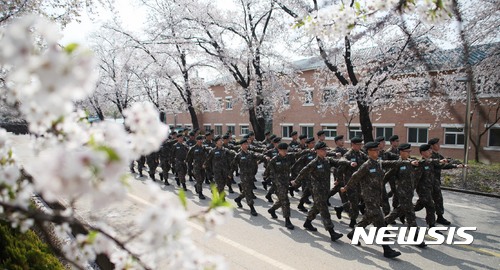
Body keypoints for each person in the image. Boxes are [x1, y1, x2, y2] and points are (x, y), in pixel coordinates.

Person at [341, 141, 417, 258]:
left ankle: (353, 234)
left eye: (378, 150)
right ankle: (387, 249)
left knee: (367, 218)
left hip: (377, 197)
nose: (378, 152)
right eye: (375, 150)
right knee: (380, 222)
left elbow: (390, 163)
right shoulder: (366, 165)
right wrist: (346, 187)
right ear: (369, 152)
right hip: (369, 198)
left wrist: (405, 161)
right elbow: (355, 176)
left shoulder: (378, 163)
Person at [291, 141, 352, 242]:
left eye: (326, 149)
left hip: (325, 190)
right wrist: (296, 181)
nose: (325, 151)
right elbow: (303, 172)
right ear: (318, 151)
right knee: (324, 210)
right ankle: (332, 232)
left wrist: (349, 163)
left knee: (316, 207)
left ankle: (307, 222)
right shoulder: (314, 163)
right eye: (323, 150)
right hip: (317, 190)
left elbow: (338, 162)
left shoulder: (327, 160)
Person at [383, 143, 426, 247]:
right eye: (407, 152)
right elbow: (387, 175)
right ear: (401, 152)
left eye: (409, 152)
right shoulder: (398, 163)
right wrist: (380, 185)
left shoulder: (411, 162)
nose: (409, 153)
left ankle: (384, 222)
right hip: (402, 192)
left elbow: (416, 162)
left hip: (409, 192)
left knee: (400, 210)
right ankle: (415, 236)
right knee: (410, 214)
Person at [425, 137, 465, 225]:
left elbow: (446, 161)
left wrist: (457, 163)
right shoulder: (430, 156)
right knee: (424, 202)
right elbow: (441, 165)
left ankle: (439, 217)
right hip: (429, 182)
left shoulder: (438, 155)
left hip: (436, 181)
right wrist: (454, 166)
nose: (439, 145)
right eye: (437, 144)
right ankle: (406, 210)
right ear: (432, 146)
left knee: (438, 199)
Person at [331, 137, 367, 228]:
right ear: (353, 145)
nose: (360, 146)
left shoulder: (361, 154)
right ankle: (353, 220)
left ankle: (340, 208)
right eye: (358, 144)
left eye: (360, 144)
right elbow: (340, 169)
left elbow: (368, 161)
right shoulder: (348, 155)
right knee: (354, 201)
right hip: (350, 182)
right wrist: (338, 180)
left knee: (356, 200)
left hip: (359, 182)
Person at [263, 142, 297, 230]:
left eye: (286, 150)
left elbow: (295, 162)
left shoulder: (289, 157)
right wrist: (266, 178)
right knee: (285, 201)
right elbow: (268, 171)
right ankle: (287, 220)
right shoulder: (274, 160)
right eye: (283, 150)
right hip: (278, 184)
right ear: (279, 150)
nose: (285, 151)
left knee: (281, 200)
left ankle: (272, 210)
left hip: (286, 182)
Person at [231, 138, 268, 216]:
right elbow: (233, 165)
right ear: (241, 145)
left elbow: (257, 155)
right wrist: (230, 174)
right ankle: (252, 208)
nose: (246, 145)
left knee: (247, 189)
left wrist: (264, 156)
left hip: (251, 175)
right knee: (248, 192)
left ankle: (238, 199)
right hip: (243, 176)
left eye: (247, 144)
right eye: (244, 144)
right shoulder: (238, 155)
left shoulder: (250, 153)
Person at [291, 137, 316, 212]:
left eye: (314, 143)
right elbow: (297, 161)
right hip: (306, 175)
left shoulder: (315, 152)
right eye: (312, 143)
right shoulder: (305, 153)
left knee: (307, 191)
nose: (313, 144)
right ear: (307, 144)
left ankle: (301, 204)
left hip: (314, 175)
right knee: (310, 191)